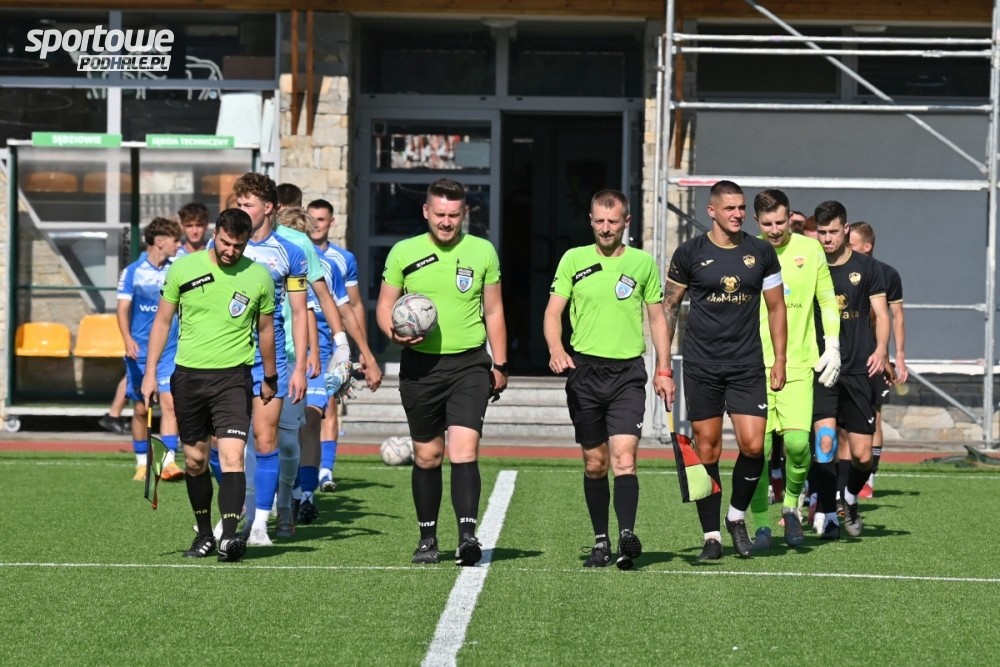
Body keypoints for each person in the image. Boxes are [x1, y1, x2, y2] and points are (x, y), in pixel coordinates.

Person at [375, 178, 508, 566]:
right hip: (420, 368)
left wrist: (500, 363)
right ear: (426, 212)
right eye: (439, 214)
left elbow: (494, 310)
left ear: (464, 213)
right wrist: (394, 334)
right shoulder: (404, 252)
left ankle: (467, 537)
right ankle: (427, 540)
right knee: (429, 455)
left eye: (453, 215)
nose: (446, 222)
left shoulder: (482, 251)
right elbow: (384, 306)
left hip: (469, 364)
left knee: (464, 449)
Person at [543, 189, 670, 569]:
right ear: (590, 220)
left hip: (627, 374)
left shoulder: (642, 263)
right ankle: (601, 540)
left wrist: (664, 368)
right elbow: (552, 313)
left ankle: (627, 537)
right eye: (599, 220)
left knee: (624, 458)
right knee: (595, 463)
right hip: (584, 372)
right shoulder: (573, 259)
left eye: (613, 221)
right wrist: (556, 349)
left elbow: (658, 318)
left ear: (626, 222)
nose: (605, 228)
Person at [141, 208, 277, 563]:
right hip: (189, 378)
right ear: (215, 235)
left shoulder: (259, 277)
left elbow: (265, 330)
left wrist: (270, 376)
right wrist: (150, 372)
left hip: (234, 379)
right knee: (196, 461)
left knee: (232, 457)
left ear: (247, 242)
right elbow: (162, 322)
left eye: (238, 245)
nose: (231, 250)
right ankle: (204, 534)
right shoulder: (183, 268)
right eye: (226, 242)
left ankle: (229, 538)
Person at [662, 180, 787, 560]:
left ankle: (735, 517)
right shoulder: (689, 253)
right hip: (702, 365)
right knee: (708, 449)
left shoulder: (761, 252)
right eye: (729, 208)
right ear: (711, 211)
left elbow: (776, 308)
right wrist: (663, 366)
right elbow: (669, 308)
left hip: (747, 363)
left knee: (754, 446)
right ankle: (712, 537)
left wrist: (780, 359)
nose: (737, 214)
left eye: (741, 207)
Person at [747, 190, 841, 551]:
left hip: (799, 364)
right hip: (753, 365)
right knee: (756, 450)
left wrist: (832, 345)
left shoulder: (811, 249)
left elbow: (827, 300)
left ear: (791, 219)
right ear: (757, 222)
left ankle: (790, 507)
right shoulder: (748, 251)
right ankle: (760, 523)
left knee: (799, 445)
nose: (774, 230)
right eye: (767, 223)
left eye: (780, 222)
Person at [811, 201, 890, 539]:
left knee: (861, 455)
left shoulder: (867, 267)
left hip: (859, 369)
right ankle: (828, 512)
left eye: (833, 232)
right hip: (823, 368)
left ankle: (851, 496)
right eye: (822, 232)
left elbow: (882, 314)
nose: (827, 238)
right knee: (826, 442)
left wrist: (882, 349)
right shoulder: (811, 264)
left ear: (845, 230)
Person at [116, 217, 185, 482]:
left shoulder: (176, 268)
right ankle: (142, 463)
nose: (179, 245)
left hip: (169, 349)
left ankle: (168, 462)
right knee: (141, 408)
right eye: (175, 240)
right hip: (140, 351)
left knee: (170, 404)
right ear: (159, 242)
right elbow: (122, 309)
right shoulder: (132, 271)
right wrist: (127, 339)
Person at [307, 198, 368, 491]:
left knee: (328, 405)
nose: (316, 224)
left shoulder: (343, 259)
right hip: (299, 344)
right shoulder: (296, 254)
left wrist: (361, 350)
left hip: (330, 343)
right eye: (312, 219)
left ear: (332, 222)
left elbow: (353, 305)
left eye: (322, 219)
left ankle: (325, 471)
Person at [847, 221, 907, 498]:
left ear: (867, 246)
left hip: (875, 357)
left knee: (874, 417)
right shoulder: (836, 269)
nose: (846, 248)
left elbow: (896, 317)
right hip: (845, 356)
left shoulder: (887, 274)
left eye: (851, 243)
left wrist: (898, 357)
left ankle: (868, 479)